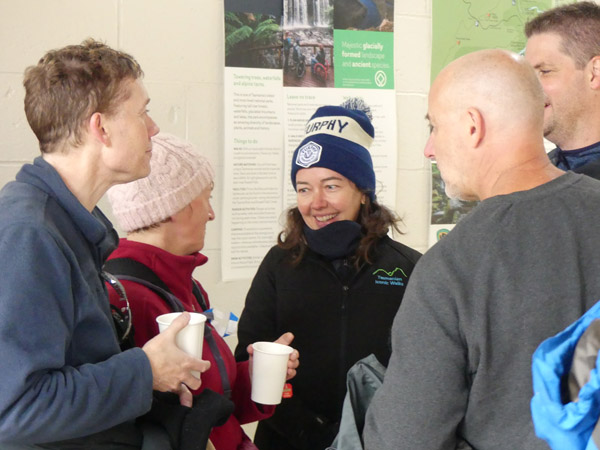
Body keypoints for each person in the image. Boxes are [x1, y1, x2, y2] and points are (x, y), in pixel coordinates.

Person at [363, 49, 600, 450]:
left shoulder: (451, 268)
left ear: (472, 126)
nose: (429, 149)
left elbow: (404, 439)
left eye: (434, 127)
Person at [0, 39, 210, 449]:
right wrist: (145, 371)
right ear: (100, 128)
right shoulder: (29, 234)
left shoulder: (65, 224)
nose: (153, 128)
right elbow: (17, 409)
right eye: (143, 112)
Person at [234, 98, 422, 450]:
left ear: (363, 192)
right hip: (289, 441)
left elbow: (424, 370)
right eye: (304, 188)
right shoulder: (278, 265)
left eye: (331, 185)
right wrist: (308, 431)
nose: (315, 202)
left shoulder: (408, 267)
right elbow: (246, 358)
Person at [105, 132, 300, 450]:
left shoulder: (185, 285)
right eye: (206, 197)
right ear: (174, 207)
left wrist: (253, 375)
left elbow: (211, 402)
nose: (211, 213)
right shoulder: (126, 299)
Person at [524, 2, 600, 178]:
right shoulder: (534, 176)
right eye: (528, 74)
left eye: (545, 71)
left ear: (595, 73)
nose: (528, 87)